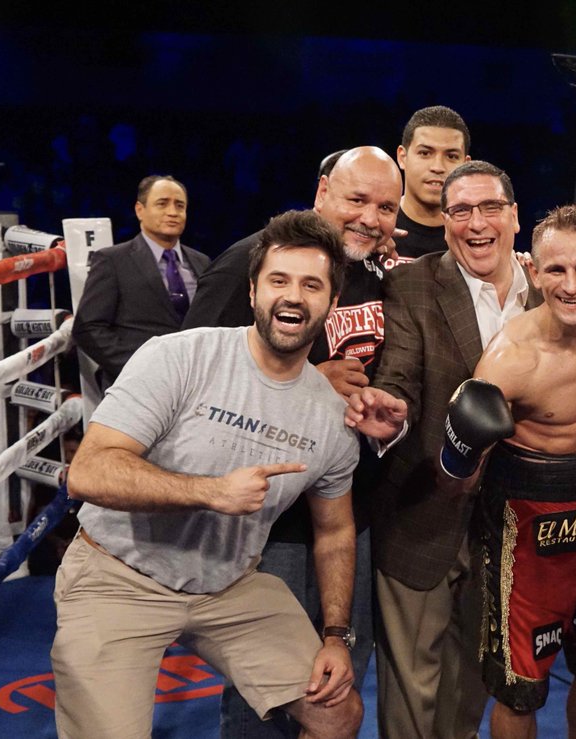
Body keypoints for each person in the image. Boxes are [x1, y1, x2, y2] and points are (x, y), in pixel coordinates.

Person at [51, 210, 372, 739]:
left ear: (332, 305)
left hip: (228, 584)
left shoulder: (331, 417)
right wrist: (209, 492)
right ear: (253, 292)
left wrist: (337, 634)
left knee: (336, 712)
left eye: (312, 285)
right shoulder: (180, 357)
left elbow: (335, 531)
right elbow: (88, 471)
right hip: (119, 576)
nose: (293, 296)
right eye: (279, 281)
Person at [182, 146, 403, 738]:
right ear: (322, 191)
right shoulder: (249, 265)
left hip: (345, 517)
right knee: (268, 695)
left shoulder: (370, 272)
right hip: (267, 522)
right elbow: (192, 381)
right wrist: (304, 386)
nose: (370, 217)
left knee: (336, 688)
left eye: (385, 206)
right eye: (357, 199)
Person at [348, 160, 541, 739]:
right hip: (423, 507)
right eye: (460, 211)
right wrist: (390, 407)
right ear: (444, 219)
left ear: (513, 216)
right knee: (411, 694)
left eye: (489, 209)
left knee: (471, 684)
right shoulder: (412, 283)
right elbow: (401, 372)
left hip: (513, 524)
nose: (475, 223)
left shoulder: (550, 292)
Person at [434, 204, 576, 738]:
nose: (571, 285)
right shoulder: (509, 359)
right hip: (525, 521)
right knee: (519, 684)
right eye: (555, 270)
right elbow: (453, 480)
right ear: (534, 271)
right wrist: (458, 448)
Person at [73, 174, 209, 389]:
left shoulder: (201, 262)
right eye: (162, 204)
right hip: (134, 386)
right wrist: (138, 369)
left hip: (194, 385)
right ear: (140, 210)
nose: (173, 212)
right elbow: (88, 327)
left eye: (180, 205)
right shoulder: (112, 260)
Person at [395, 105, 472, 258]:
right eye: (425, 153)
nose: (437, 167)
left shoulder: (477, 236)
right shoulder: (375, 228)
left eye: (451, 156)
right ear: (402, 157)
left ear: (465, 165)